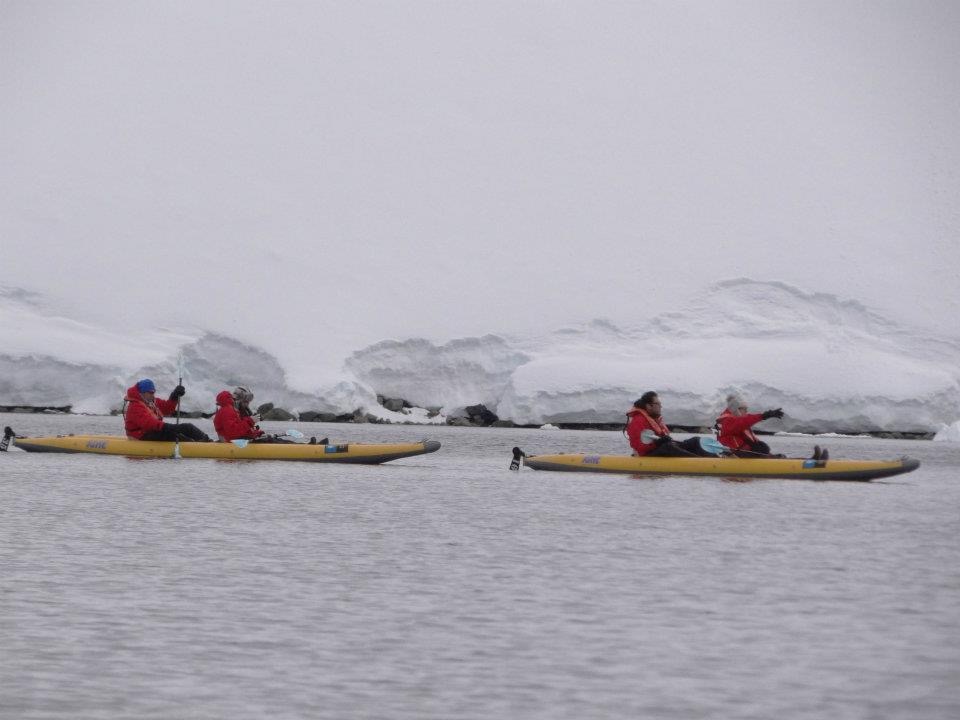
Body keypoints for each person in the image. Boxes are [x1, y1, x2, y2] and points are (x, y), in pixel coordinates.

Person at [715, 394, 828, 460]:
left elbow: (745, 423)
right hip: (736, 455)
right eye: (744, 408)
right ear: (736, 409)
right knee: (769, 455)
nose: (747, 411)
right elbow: (745, 421)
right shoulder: (729, 421)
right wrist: (765, 415)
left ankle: (811, 460)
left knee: (774, 454)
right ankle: (810, 462)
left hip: (743, 453)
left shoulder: (733, 420)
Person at [625, 391, 713, 457]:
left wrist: (662, 441)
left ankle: (714, 459)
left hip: (661, 449)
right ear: (649, 406)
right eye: (658, 404)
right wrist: (657, 443)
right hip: (645, 456)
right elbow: (640, 447)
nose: (661, 406)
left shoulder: (654, 419)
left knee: (695, 441)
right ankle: (701, 462)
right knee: (668, 447)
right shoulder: (638, 421)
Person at [124, 379, 211, 442]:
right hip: (140, 435)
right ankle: (196, 446)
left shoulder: (151, 402)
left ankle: (208, 442)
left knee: (188, 427)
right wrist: (168, 427)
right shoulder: (135, 406)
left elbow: (167, 408)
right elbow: (148, 424)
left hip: (153, 431)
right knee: (174, 435)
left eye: (153, 392)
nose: (152, 395)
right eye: (150, 393)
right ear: (142, 393)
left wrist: (175, 396)